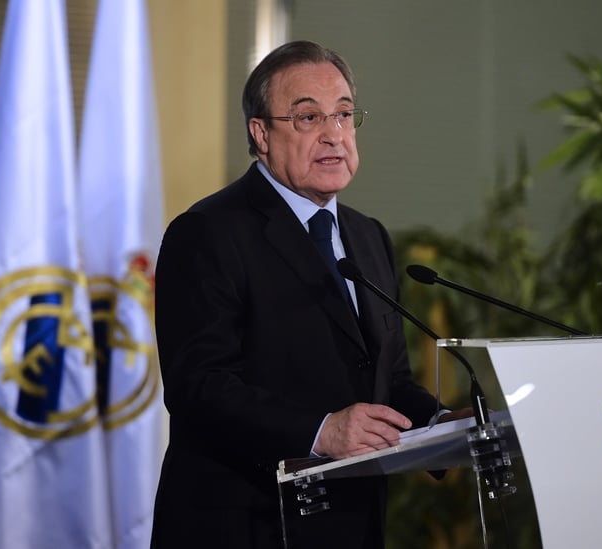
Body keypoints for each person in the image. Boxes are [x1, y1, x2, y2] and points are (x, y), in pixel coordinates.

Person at [150, 40, 449, 549]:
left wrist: (441, 426)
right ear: (261, 134)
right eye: (308, 118)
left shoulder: (368, 236)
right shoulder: (207, 232)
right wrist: (319, 430)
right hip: (244, 524)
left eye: (345, 114)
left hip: (349, 524)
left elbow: (386, 379)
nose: (334, 134)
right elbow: (197, 387)